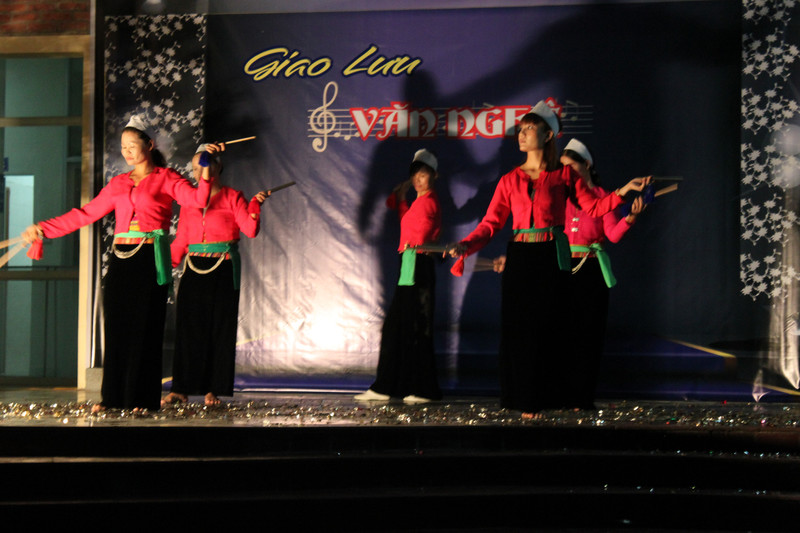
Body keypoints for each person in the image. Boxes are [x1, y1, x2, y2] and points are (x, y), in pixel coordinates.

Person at [446, 100, 650, 417]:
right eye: (521, 129)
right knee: (520, 328)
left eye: (530, 128)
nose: (522, 134)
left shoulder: (564, 176)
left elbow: (594, 208)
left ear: (548, 135)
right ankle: (523, 399)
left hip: (552, 254)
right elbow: (490, 224)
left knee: (549, 328)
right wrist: (466, 245)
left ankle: (545, 397)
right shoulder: (509, 180)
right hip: (522, 255)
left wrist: (622, 191)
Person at [20, 115, 211, 412]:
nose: (127, 152)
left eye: (132, 145)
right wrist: (44, 228)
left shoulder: (167, 178)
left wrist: (208, 171)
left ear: (149, 145)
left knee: (145, 329)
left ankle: (143, 399)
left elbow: (198, 200)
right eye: (123, 147)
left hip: (150, 258)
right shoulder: (118, 184)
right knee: (119, 328)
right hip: (121, 259)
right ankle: (112, 398)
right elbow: (85, 214)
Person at [163, 143, 268, 407]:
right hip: (194, 267)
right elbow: (181, 240)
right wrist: (164, 268)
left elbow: (250, 230)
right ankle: (181, 388)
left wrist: (254, 205)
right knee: (189, 330)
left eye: (205, 165)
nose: (200, 173)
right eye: (196, 168)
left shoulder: (233, 197)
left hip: (223, 267)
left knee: (219, 330)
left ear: (218, 166)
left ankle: (213, 388)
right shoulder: (189, 201)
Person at [562, 138, 646, 408]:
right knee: (560, 335)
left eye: (571, 167)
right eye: (562, 169)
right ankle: (558, 393)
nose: (566, 174)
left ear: (586, 165)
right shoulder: (559, 198)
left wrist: (630, 218)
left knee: (587, 336)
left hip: (589, 270)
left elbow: (612, 234)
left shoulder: (603, 197)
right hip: (562, 267)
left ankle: (581, 397)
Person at [355, 149, 442, 404]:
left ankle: (423, 388)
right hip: (409, 264)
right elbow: (408, 223)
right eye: (415, 174)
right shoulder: (418, 203)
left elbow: (420, 235)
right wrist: (402, 198)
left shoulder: (430, 202)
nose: (418, 179)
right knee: (398, 328)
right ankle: (388, 386)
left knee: (417, 329)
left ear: (434, 176)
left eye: (423, 174)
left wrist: (401, 198)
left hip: (419, 265)